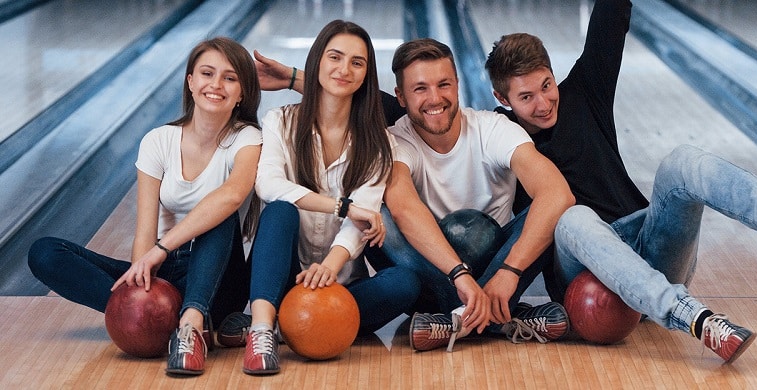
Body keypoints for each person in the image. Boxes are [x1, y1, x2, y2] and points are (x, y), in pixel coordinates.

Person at [482, 0, 757, 364]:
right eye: (526, 97)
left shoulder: (585, 92)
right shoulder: (496, 138)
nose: (543, 103)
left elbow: (611, 14)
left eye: (546, 85)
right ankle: (696, 319)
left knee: (681, 161)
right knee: (572, 216)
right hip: (585, 276)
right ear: (501, 99)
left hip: (650, 252)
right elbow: (440, 129)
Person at [255, 40, 575, 353]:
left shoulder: (493, 129)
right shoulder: (394, 142)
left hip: (497, 275)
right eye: (420, 88)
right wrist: (459, 274)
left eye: (444, 84)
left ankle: (456, 322)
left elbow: (557, 193)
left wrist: (509, 272)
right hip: (434, 280)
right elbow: (404, 208)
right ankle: (500, 321)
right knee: (385, 214)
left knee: (550, 213)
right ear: (401, 97)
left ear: (458, 85)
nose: (435, 98)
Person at [28, 37, 263, 375]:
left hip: (219, 276)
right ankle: (154, 321)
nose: (216, 85)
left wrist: (162, 248)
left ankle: (190, 325)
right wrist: (143, 284)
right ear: (191, 82)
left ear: (242, 92)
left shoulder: (247, 138)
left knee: (217, 213)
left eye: (229, 77)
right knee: (46, 253)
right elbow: (145, 231)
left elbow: (232, 195)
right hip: (164, 269)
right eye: (207, 73)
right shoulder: (158, 141)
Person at [234, 20, 421, 375]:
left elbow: (359, 224)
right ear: (317, 61)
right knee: (280, 211)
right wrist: (341, 206)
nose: (344, 69)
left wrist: (329, 269)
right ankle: (262, 330)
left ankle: (308, 323)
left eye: (357, 62)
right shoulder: (281, 122)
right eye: (335, 57)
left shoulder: (381, 144)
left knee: (405, 283)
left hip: (339, 286)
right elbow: (268, 184)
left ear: (366, 75)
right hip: (281, 276)